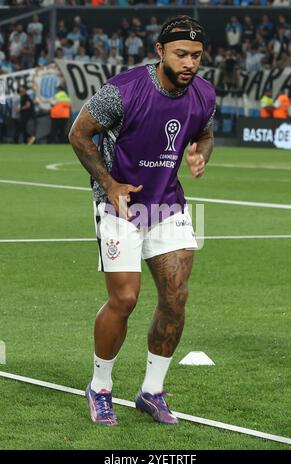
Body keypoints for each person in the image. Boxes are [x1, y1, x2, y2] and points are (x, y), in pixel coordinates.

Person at [69, 15, 216, 426]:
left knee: (176, 298)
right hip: (121, 207)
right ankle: (99, 387)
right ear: (160, 52)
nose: (189, 63)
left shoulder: (204, 93)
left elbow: (204, 131)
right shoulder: (123, 90)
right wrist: (109, 182)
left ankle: (152, 391)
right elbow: (79, 134)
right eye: (181, 54)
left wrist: (202, 153)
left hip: (168, 205)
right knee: (126, 299)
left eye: (197, 56)